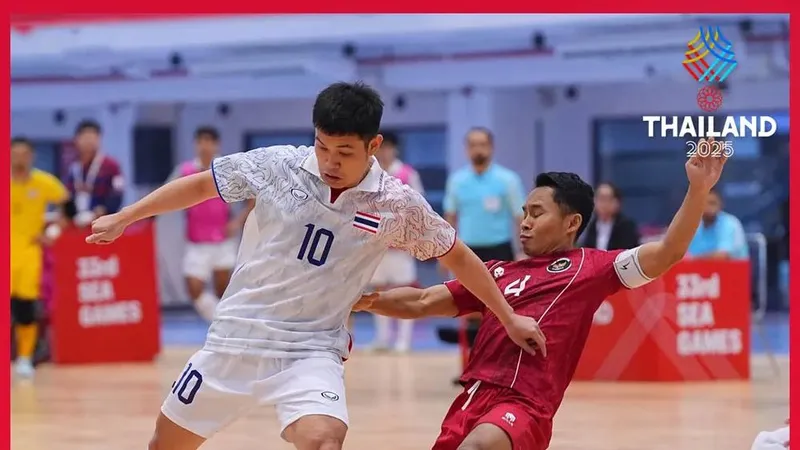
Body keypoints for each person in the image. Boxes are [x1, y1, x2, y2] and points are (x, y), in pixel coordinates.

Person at [85, 81, 545, 450]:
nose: (330, 161)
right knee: (164, 445)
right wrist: (126, 216)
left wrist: (506, 316)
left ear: (374, 145)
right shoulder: (277, 165)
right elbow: (201, 186)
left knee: (325, 439)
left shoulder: (397, 203)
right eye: (323, 146)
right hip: (236, 338)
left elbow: (458, 255)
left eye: (344, 152)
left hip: (311, 349)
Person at [355, 143, 727, 450]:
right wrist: (359, 298)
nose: (525, 222)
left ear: (571, 223)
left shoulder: (592, 268)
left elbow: (667, 254)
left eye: (537, 213)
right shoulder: (497, 273)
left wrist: (697, 191)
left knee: (478, 447)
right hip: (470, 400)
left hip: (524, 405)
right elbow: (421, 302)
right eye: (524, 213)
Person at [171, 126, 254, 322]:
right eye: (200, 141)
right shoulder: (185, 171)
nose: (204, 146)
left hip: (222, 240)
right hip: (196, 242)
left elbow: (252, 198)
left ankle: (225, 331)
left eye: (209, 141)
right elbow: (168, 192)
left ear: (216, 144)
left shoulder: (228, 169)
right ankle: (223, 323)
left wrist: (237, 222)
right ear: (195, 144)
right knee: (193, 288)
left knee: (223, 291)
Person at [10, 137, 69, 378]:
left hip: (28, 254)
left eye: (24, 154)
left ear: (32, 156)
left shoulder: (44, 183)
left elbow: (68, 206)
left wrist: (54, 231)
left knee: (25, 309)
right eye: (15, 154)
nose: (19, 158)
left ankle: (24, 359)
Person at [368, 132, 425, 352]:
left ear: (395, 149)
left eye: (388, 147)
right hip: (376, 244)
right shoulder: (369, 173)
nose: (384, 152)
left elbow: (418, 206)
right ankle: (382, 338)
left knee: (404, 290)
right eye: (381, 148)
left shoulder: (407, 174)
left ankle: (404, 340)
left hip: (401, 244)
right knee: (378, 292)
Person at [443, 127, 526, 264]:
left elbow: (520, 217)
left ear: (491, 147)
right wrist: (445, 254)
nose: (478, 150)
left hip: (500, 249)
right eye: (473, 145)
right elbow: (450, 218)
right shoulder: (456, 181)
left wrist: (523, 250)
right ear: (466, 149)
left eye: (482, 144)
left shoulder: (508, 179)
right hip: (467, 250)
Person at [65, 120, 124, 227]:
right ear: (77, 140)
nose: (89, 142)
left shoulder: (111, 166)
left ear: (99, 139)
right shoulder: (73, 167)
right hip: (77, 223)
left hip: (104, 222)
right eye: (86, 138)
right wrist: (70, 214)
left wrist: (105, 210)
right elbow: (67, 195)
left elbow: (117, 193)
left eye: (93, 138)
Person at [687, 188, 749, 260]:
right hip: (697, 269)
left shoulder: (730, 223)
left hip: (730, 269)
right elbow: (685, 255)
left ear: (720, 205)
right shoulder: (692, 225)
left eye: (712, 203)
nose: (709, 208)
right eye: (704, 203)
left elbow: (723, 256)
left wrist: (694, 260)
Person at [581, 182, 641, 251]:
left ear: (617, 202)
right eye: (599, 198)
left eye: (606, 198)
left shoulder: (626, 226)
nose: (602, 204)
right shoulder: (592, 225)